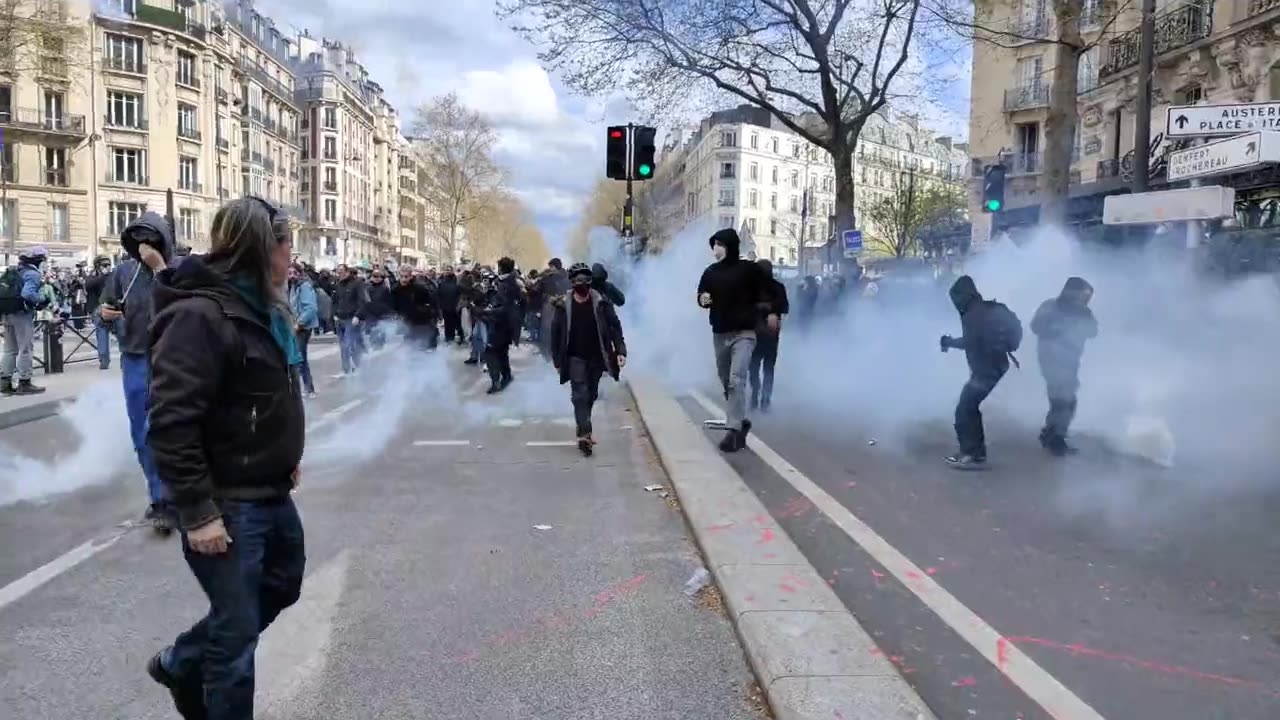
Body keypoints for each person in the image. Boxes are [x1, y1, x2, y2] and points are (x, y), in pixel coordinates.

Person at [145, 196, 306, 720]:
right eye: (287, 249)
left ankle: (183, 660)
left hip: (268, 488)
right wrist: (198, 512)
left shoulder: (261, 307)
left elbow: (262, 394)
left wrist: (282, 452)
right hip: (227, 503)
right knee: (235, 645)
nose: (293, 262)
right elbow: (171, 422)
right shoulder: (201, 315)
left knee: (282, 584)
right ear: (264, 250)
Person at [100, 216, 175, 529]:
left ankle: (176, 498)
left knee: (170, 429)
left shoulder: (179, 270)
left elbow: (185, 302)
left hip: (171, 358)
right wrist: (104, 313)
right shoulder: (123, 272)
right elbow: (103, 307)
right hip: (134, 358)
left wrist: (160, 269)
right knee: (141, 433)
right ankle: (159, 497)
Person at [697, 228, 778, 452]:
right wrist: (703, 299)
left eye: (719, 244)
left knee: (737, 379)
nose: (716, 248)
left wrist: (772, 311)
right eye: (714, 244)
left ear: (730, 246)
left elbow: (770, 290)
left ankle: (732, 432)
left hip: (744, 333)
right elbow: (701, 294)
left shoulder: (749, 270)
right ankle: (741, 422)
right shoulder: (710, 272)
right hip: (720, 333)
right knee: (726, 381)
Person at [940, 275, 1022, 470]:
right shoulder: (984, 308)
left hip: (987, 369)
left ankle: (970, 454)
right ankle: (977, 453)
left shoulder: (972, 314)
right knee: (969, 407)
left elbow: (971, 342)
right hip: (996, 365)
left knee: (964, 409)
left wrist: (949, 342)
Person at [550, 263, 627, 456]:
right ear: (571, 282)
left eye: (584, 280)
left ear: (590, 282)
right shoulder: (563, 305)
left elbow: (615, 327)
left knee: (591, 394)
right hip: (574, 356)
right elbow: (555, 333)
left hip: (597, 356)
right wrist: (557, 360)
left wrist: (620, 351)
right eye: (576, 280)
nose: (580, 284)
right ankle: (585, 434)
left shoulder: (601, 303)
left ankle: (584, 426)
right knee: (579, 395)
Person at [1030, 277, 1097, 456]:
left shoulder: (1083, 312)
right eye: (1083, 295)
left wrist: (1082, 318)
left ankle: (1051, 434)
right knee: (1064, 400)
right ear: (1071, 292)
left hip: (1070, 361)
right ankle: (1056, 439)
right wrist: (1060, 331)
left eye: (1088, 296)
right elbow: (1036, 326)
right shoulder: (1051, 306)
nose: (1085, 299)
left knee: (1063, 400)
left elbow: (1093, 332)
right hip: (1051, 360)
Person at [0, 247, 50, 396]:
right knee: (25, 348)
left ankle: (4, 384)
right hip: (22, 315)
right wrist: (40, 300)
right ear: (38, 260)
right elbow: (27, 293)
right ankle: (24, 382)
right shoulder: (32, 274)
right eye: (43, 260)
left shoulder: (16, 271)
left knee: (10, 350)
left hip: (7, 313)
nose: (45, 263)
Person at [750, 259, 789, 412]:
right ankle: (764, 398)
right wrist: (772, 310)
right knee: (768, 367)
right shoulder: (778, 287)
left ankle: (757, 392)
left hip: (756, 333)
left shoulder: (751, 289)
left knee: (753, 366)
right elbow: (785, 307)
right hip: (771, 334)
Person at [483, 257, 521, 393]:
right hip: (507, 324)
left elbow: (505, 307)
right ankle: (506, 376)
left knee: (490, 352)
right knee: (502, 352)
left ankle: (496, 382)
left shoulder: (506, 285)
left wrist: (489, 312)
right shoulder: (509, 282)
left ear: (501, 268)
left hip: (500, 324)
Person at [288, 263, 319, 398]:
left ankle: (309, 389)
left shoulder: (305, 286)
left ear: (300, 273)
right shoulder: (294, 286)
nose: (292, 276)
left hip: (303, 327)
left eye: (294, 273)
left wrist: (299, 323)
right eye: (289, 273)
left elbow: (311, 308)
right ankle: (305, 388)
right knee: (298, 358)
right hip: (295, 325)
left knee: (300, 358)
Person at [391, 265, 439, 350]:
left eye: (406, 276)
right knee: (410, 347)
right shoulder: (396, 289)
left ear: (410, 276)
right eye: (401, 276)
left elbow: (431, 303)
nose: (403, 279)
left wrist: (425, 312)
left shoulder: (419, 288)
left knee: (425, 347)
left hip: (423, 321)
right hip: (408, 322)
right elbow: (394, 305)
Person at [331, 263, 368, 374]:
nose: (339, 274)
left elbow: (363, 301)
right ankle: (346, 370)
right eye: (338, 272)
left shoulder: (357, 283)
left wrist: (357, 315)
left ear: (347, 272)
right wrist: (334, 314)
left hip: (351, 318)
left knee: (349, 344)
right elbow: (334, 301)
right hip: (340, 318)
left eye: (341, 272)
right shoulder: (338, 284)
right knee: (343, 346)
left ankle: (359, 366)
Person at [83, 256, 114, 370]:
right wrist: (102, 276)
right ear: (97, 265)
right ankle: (104, 360)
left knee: (122, 333)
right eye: (104, 265)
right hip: (98, 308)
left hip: (113, 307)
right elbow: (88, 286)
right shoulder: (93, 276)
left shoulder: (113, 275)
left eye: (108, 264)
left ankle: (128, 358)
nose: (107, 267)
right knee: (102, 334)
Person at [436, 266, 463, 344]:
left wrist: (458, 304)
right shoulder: (441, 282)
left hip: (455, 306)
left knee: (457, 323)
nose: (448, 272)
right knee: (448, 324)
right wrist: (440, 306)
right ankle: (448, 338)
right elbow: (439, 295)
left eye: (449, 270)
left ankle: (459, 336)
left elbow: (460, 294)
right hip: (445, 307)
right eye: (446, 270)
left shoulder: (457, 281)